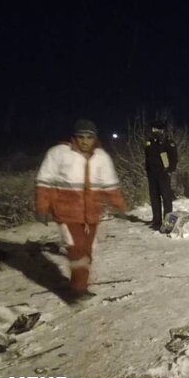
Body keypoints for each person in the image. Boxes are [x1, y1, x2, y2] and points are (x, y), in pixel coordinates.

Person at [35, 119, 127, 300]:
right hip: (66, 211)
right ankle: (78, 289)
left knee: (88, 249)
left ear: (95, 138)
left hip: (91, 213)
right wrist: (42, 208)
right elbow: (44, 182)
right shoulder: (58, 153)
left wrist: (119, 205)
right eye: (81, 137)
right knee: (77, 248)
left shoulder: (102, 157)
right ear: (74, 137)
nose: (85, 141)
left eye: (89, 137)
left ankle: (79, 282)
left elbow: (110, 185)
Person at [145, 121, 178, 230]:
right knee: (154, 199)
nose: (155, 131)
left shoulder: (167, 142)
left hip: (163, 174)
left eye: (157, 129)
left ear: (162, 130)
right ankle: (157, 221)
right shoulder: (149, 142)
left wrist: (169, 171)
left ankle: (169, 223)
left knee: (166, 199)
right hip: (152, 174)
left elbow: (174, 158)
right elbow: (147, 157)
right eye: (154, 129)